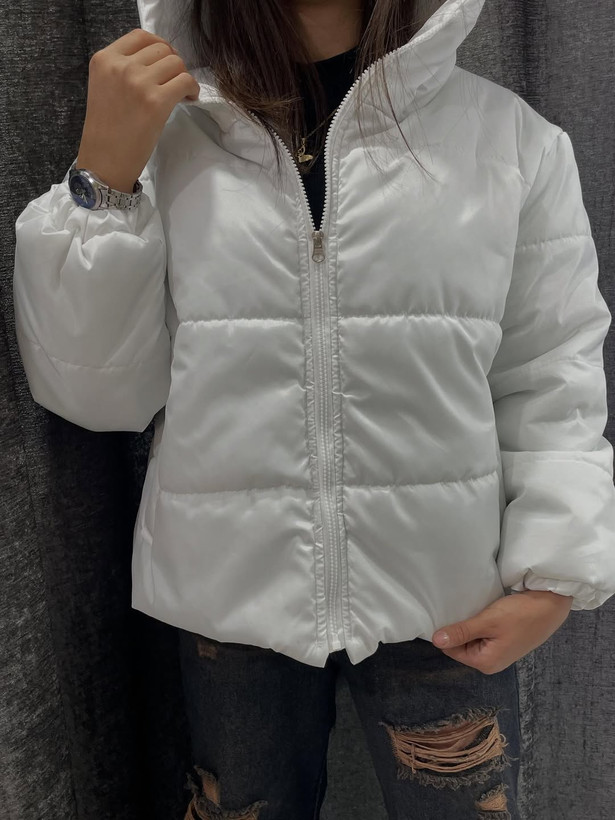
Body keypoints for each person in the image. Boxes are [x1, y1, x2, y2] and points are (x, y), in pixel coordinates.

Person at [12, 0, 615, 817]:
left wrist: (555, 570)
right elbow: (97, 394)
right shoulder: (163, 137)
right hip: (229, 600)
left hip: (449, 601)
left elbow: (550, 371)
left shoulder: (510, 142)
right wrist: (102, 185)